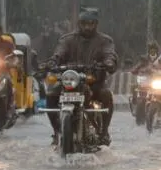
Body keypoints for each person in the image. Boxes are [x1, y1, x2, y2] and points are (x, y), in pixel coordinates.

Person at [43, 9, 118, 146]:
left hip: (93, 81)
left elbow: (110, 54)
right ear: (79, 24)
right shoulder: (67, 39)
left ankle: (103, 132)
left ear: (96, 24)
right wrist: (53, 61)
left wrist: (109, 62)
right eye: (84, 23)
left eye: (91, 24)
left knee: (106, 95)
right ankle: (57, 132)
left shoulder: (104, 41)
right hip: (69, 80)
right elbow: (59, 52)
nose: (87, 27)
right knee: (51, 94)